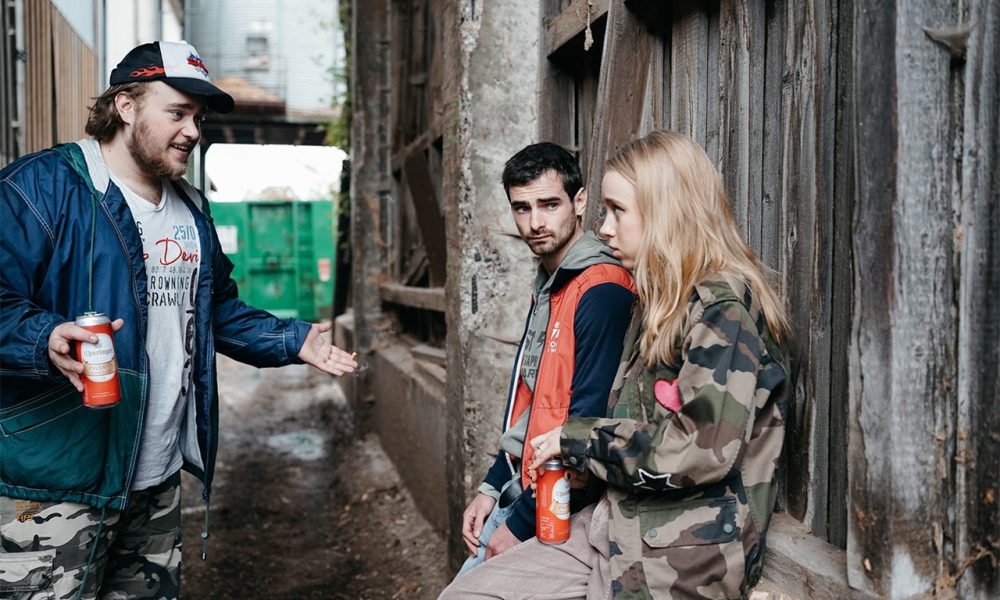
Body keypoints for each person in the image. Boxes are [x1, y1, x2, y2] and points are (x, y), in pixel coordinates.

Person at [0, 41, 357, 599]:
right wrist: (43, 336)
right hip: (56, 482)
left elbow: (215, 309)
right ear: (126, 106)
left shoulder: (190, 206)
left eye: (199, 117)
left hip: (158, 478)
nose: (193, 131)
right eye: (177, 113)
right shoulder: (41, 188)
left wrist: (292, 339)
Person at [439, 130, 791, 599]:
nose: (604, 229)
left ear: (666, 212)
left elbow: (699, 451)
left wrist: (576, 440)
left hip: (679, 549)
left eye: (617, 211)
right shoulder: (659, 302)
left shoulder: (721, 313)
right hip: (612, 520)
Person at [451, 143, 635, 579]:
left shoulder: (601, 290)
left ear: (580, 201)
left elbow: (588, 419)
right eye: (522, 208)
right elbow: (534, 401)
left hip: (557, 507)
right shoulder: (553, 283)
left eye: (549, 205)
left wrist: (520, 523)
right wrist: (492, 486)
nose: (535, 222)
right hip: (524, 491)